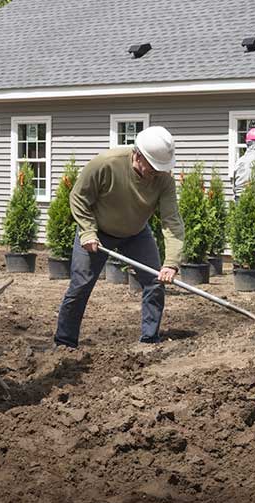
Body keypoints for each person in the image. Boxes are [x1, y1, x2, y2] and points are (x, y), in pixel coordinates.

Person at [54, 126, 187, 347]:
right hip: (98, 232)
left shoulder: (163, 179)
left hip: (136, 233)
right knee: (80, 286)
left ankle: (149, 339)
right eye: (153, 166)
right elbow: (79, 197)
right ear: (137, 155)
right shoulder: (107, 163)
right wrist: (87, 231)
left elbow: (171, 221)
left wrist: (172, 263)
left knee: (154, 282)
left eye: (161, 168)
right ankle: (64, 343)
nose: (157, 172)